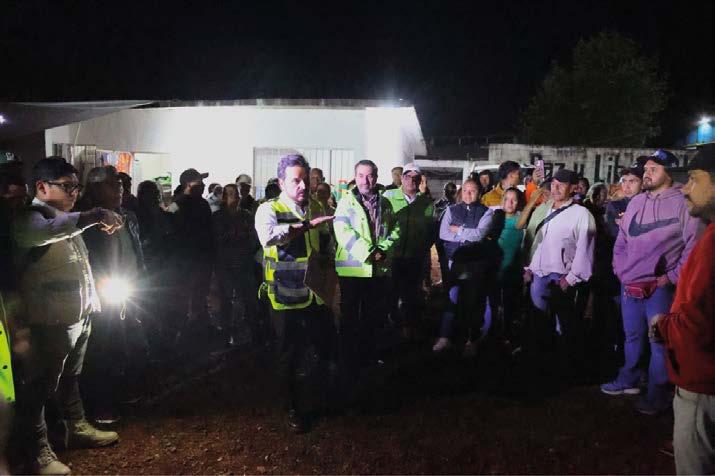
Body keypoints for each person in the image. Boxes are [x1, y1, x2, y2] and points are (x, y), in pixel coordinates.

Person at [12, 157, 122, 475]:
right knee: (39, 388)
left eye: (76, 186)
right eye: (67, 185)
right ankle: (37, 452)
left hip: (78, 314)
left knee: (70, 378)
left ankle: (74, 427)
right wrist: (94, 215)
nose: (74, 192)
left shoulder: (67, 219)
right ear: (42, 187)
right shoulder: (30, 220)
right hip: (50, 320)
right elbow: (45, 234)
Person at [602, 150, 703, 415]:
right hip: (629, 285)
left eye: (653, 169)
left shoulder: (683, 202)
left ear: (669, 173)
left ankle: (658, 393)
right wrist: (620, 270)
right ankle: (630, 378)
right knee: (632, 336)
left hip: (660, 288)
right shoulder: (636, 202)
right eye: (645, 169)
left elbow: (692, 247)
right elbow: (622, 240)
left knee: (659, 342)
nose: (646, 174)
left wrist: (670, 278)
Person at [254, 154, 335, 433]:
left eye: (305, 180)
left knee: (324, 347)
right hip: (285, 295)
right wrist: (307, 226)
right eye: (295, 181)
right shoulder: (268, 209)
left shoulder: (316, 205)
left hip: (315, 294)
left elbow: (324, 241)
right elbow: (269, 237)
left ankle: (318, 398)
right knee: (288, 355)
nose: (302, 186)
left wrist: (327, 255)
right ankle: (292, 408)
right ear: (281, 182)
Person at [652, 144, 715, 475]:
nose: (685, 188)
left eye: (693, 178)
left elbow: (697, 320)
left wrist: (663, 327)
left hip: (703, 384)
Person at [75, 166, 148, 424]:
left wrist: (141, 275)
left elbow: (135, 251)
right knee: (102, 347)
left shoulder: (128, 216)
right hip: (103, 293)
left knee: (130, 342)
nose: (119, 189)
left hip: (130, 287)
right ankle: (99, 403)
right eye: (112, 185)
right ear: (95, 189)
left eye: (120, 184)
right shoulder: (85, 220)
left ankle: (124, 392)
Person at [523, 169, 595, 377]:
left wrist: (570, 279)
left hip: (561, 278)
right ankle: (539, 367)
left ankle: (563, 369)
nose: (555, 188)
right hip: (539, 276)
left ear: (573, 188)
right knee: (539, 324)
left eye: (561, 185)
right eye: (553, 184)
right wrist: (530, 268)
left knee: (562, 325)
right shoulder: (545, 209)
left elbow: (585, 250)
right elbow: (541, 244)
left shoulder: (582, 214)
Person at [333, 160, 399, 382]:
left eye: (369, 176)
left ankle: (368, 355)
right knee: (350, 317)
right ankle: (347, 359)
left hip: (377, 272)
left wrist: (383, 249)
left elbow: (395, 230)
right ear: (355, 177)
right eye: (361, 175)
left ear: (376, 177)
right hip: (353, 272)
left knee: (373, 316)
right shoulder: (346, 202)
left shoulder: (385, 203)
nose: (365, 180)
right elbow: (342, 231)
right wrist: (369, 252)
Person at [432, 179, 495, 354]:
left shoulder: (487, 212)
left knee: (473, 300)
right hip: (455, 262)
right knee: (452, 298)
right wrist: (468, 234)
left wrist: (458, 230)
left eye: (472, 191)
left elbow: (479, 235)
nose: (468, 194)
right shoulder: (451, 210)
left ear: (479, 193)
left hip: (475, 263)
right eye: (465, 190)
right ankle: (445, 337)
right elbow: (443, 233)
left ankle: (471, 339)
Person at [383, 163, 435, 338]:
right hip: (390, 257)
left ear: (420, 181)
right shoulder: (388, 197)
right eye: (407, 176)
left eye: (415, 178)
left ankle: (407, 329)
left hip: (414, 258)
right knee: (389, 293)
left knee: (411, 293)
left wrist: (422, 249)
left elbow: (430, 231)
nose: (411, 181)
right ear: (402, 178)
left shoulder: (426, 204)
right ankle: (389, 326)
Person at [167, 168, 214, 339]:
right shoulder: (177, 204)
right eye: (199, 182)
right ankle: (182, 328)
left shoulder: (203, 204)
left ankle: (200, 324)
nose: (203, 185)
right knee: (184, 295)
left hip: (203, 258)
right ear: (188, 184)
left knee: (201, 293)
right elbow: (169, 230)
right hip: (184, 260)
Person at [212, 183, 261, 346]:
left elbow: (253, 238)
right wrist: (235, 234)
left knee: (249, 299)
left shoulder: (247, 215)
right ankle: (226, 332)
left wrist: (242, 238)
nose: (236, 197)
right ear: (224, 197)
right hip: (225, 264)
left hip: (244, 262)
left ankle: (251, 332)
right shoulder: (218, 216)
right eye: (232, 194)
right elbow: (218, 238)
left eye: (237, 194)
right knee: (226, 299)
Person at [488, 187, 525, 342]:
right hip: (494, 269)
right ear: (502, 200)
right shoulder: (495, 217)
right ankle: (491, 332)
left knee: (509, 303)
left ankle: (507, 334)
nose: (510, 203)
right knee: (493, 303)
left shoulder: (521, 220)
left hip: (512, 270)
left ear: (518, 203)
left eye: (513, 200)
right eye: (507, 199)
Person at [605, 163, 644, 238]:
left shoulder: (651, 205)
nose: (626, 186)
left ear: (642, 184)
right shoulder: (615, 205)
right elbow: (614, 233)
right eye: (624, 181)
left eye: (632, 181)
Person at [433, 183, 457, 286]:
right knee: (443, 261)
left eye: (452, 191)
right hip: (441, 238)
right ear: (444, 191)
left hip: (451, 238)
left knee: (452, 261)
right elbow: (435, 220)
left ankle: (450, 283)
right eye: (448, 190)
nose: (450, 193)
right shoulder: (439, 204)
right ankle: (446, 283)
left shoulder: (457, 203)